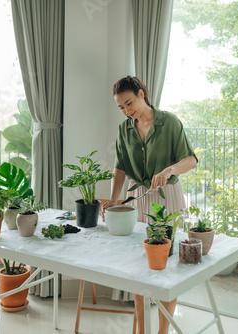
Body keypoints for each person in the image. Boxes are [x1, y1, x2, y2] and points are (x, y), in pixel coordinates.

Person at [101, 76, 198, 334]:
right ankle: (141, 330)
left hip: (168, 197)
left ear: (142, 94)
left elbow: (190, 160)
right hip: (138, 200)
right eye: (121, 107)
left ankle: (162, 331)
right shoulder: (125, 129)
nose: (126, 110)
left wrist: (169, 170)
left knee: (168, 267)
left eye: (129, 103)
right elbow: (120, 168)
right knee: (138, 266)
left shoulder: (170, 123)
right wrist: (113, 200)